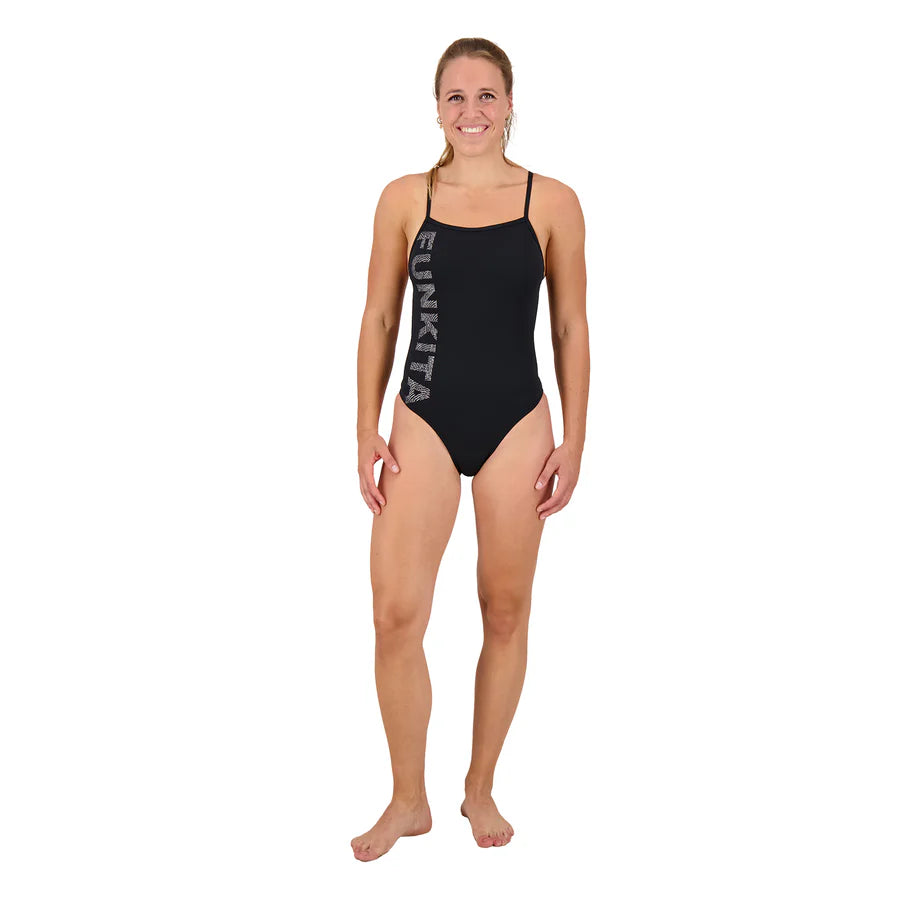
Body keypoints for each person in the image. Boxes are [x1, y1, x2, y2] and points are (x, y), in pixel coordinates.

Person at [352, 37, 588, 862]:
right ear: (437, 109)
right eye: (456, 96)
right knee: (395, 615)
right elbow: (381, 316)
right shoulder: (404, 198)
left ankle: (479, 784)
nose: (472, 111)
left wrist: (576, 438)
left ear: (510, 103)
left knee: (506, 609)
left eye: (487, 95)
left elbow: (570, 325)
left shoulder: (552, 201)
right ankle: (407, 798)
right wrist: (364, 425)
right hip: (423, 413)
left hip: (518, 421)